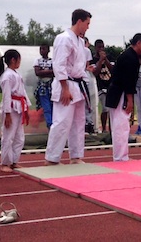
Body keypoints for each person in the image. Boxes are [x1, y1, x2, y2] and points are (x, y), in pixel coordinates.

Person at [45, 9, 92, 165]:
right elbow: (59, 65)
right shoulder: (64, 39)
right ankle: (52, 158)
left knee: (79, 122)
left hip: (78, 84)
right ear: (79, 21)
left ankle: (76, 156)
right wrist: (64, 88)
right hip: (66, 83)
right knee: (62, 121)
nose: (88, 27)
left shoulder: (79, 41)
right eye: (87, 23)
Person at [106, 34, 141, 161]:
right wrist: (130, 100)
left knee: (119, 126)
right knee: (121, 125)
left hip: (116, 92)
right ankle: (120, 157)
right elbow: (128, 81)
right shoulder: (130, 58)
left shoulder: (128, 55)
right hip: (120, 93)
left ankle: (120, 155)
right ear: (139, 43)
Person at [0, 50, 30, 172]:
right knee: (8, 136)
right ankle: (5, 163)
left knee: (19, 137)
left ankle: (14, 161)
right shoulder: (7, 76)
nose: (19, 62)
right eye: (19, 60)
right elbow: (6, 95)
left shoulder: (16, 74)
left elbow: (23, 92)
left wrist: (27, 108)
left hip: (19, 106)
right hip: (11, 107)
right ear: (13, 60)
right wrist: (7, 114)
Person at [92, 39, 113, 133]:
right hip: (100, 86)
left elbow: (113, 70)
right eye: (99, 47)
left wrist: (105, 59)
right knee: (105, 108)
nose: (101, 49)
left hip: (110, 86)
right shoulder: (93, 59)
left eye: (102, 47)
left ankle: (111, 129)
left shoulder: (109, 57)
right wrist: (100, 60)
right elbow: (95, 72)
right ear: (95, 48)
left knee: (111, 109)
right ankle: (104, 128)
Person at [33, 43, 54, 129]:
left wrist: (43, 72)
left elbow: (55, 72)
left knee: (53, 105)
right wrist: (49, 71)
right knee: (46, 107)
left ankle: (53, 123)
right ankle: (50, 124)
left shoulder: (52, 60)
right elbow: (37, 73)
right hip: (42, 87)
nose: (42, 51)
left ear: (48, 50)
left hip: (51, 87)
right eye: (41, 49)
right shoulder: (37, 60)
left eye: (44, 49)